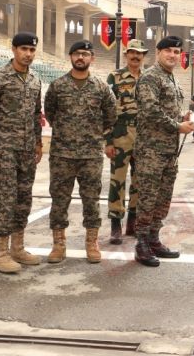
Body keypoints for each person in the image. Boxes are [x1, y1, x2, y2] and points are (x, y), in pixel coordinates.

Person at [44, 40, 117, 264]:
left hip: (91, 155)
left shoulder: (101, 88)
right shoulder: (58, 86)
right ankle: (59, 244)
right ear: (71, 57)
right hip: (62, 154)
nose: (81, 58)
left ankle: (91, 243)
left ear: (92, 58)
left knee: (92, 200)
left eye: (85, 54)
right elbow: (50, 114)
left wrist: (95, 135)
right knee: (59, 200)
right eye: (77, 54)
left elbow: (111, 116)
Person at [0, 32, 44, 274]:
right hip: (3, 149)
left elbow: (36, 114)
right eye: (24, 49)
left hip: (27, 150)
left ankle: (18, 246)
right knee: (6, 200)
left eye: (32, 50)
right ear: (14, 49)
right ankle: (1, 253)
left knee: (23, 199)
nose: (28, 54)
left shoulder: (36, 79)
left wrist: (38, 143)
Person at [133, 36, 194, 267]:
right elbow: (150, 111)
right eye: (168, 50)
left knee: (163, 199)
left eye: (177, 52)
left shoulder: (172, 79)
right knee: (148, 198)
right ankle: (141, 244)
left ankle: (154, 239)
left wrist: (184, 118)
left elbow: (169, 111)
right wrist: (177, 125)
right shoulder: (150, 77)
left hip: (169, 151)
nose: (173, 55)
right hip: (151, 151)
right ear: (158, 52)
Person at [106, 39, 147, 244]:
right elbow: (106, 109)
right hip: (121, 133)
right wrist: (108, 140)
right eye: (132, 52)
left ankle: (133, 221)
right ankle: (115, 224)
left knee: (140, 180)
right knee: (117, 181)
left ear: (143, 56)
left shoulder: (149, 77)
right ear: (126, 54)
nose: (135, 56)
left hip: (144, 135)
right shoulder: (115, 77)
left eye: (139, 53)